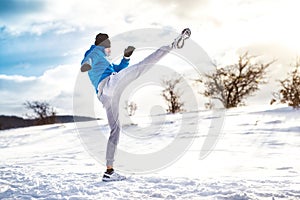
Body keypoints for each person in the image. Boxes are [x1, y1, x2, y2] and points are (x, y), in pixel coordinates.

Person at [80, 29, 191, 182]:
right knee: (142, 67)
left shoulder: (103, 60)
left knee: (115, 130)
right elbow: (88, 60)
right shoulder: (96, 52)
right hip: (109, 85)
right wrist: (86, 65)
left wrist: (126, 58)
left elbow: (118, 70)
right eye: (109, 47)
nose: (110, 50)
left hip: (106, 97)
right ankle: (173, 45)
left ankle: (109, 171)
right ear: (103, 45)